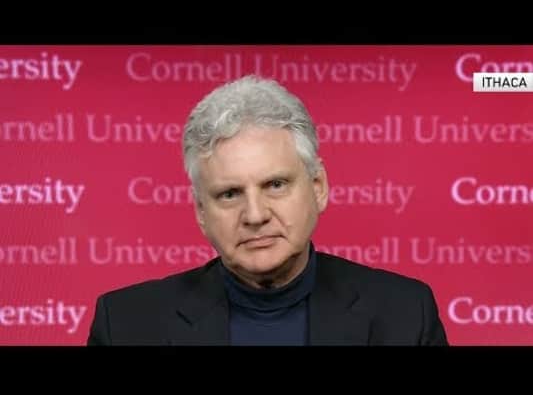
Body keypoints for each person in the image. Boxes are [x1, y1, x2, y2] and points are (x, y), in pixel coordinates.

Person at [87, 75, 448, 346]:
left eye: (275, 185)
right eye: (229, 194)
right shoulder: (126, 326)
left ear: (318, 187)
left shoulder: (405, 315)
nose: (255, 215)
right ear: (200, 211)